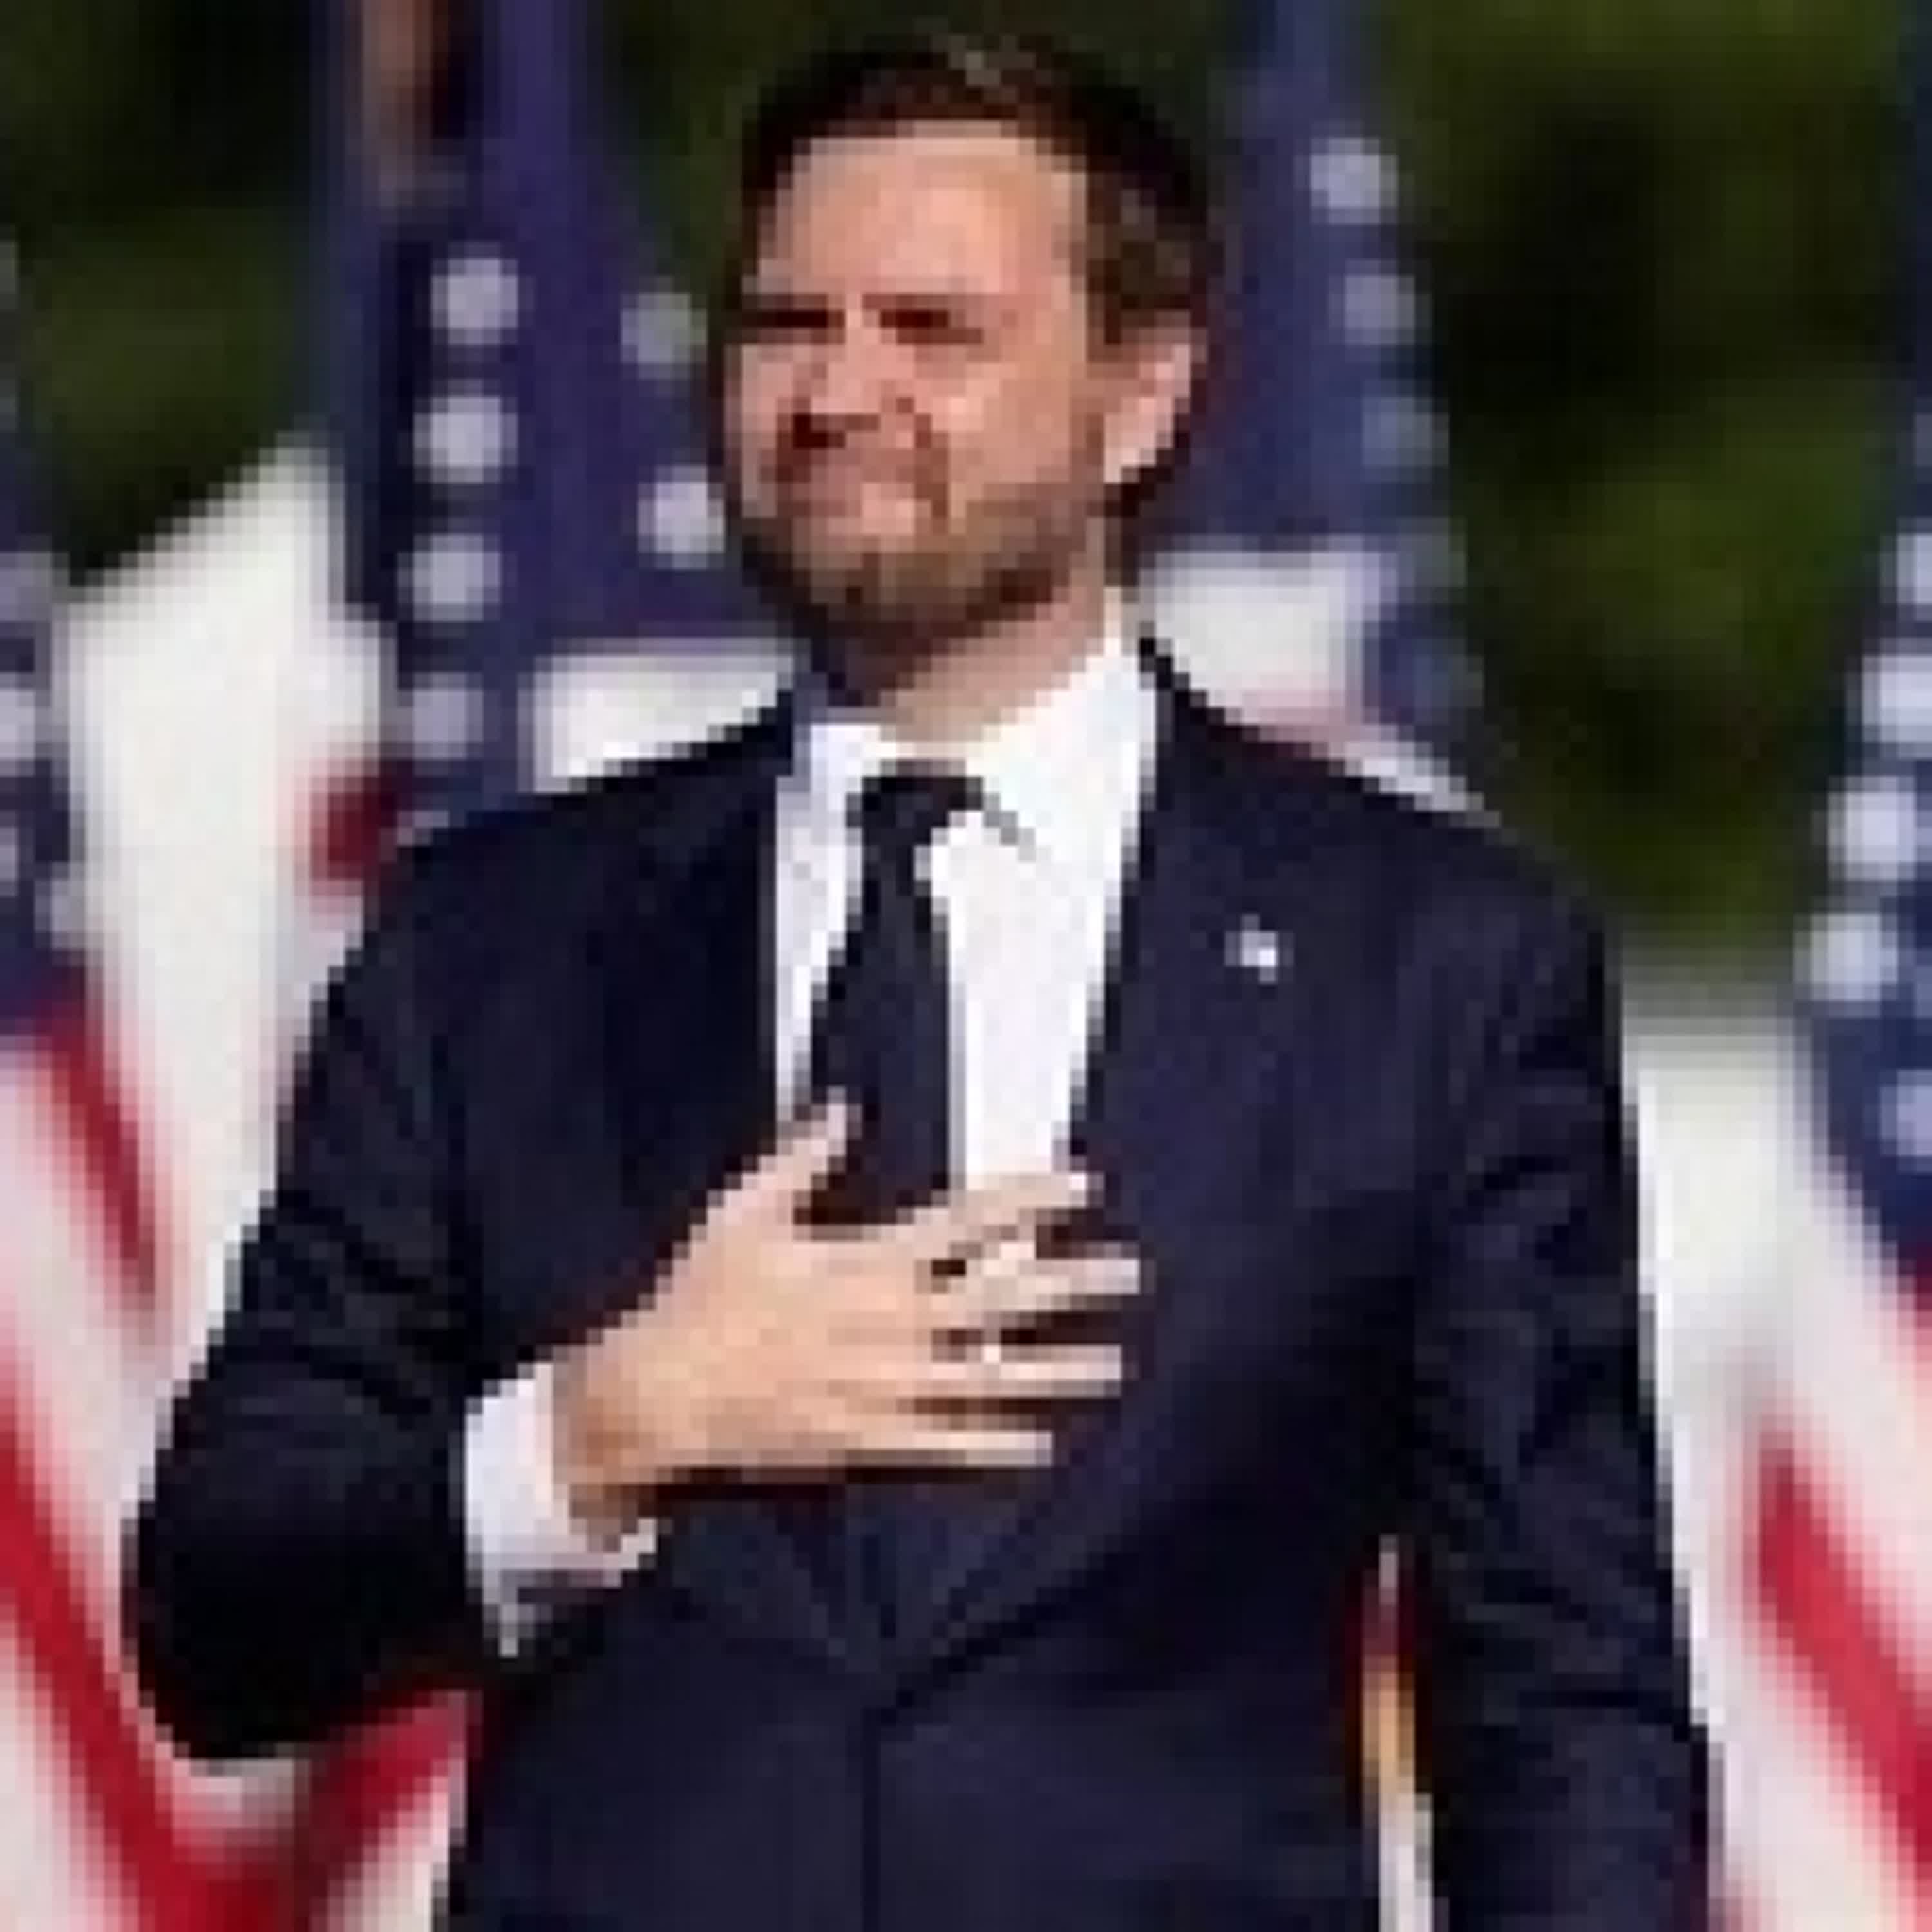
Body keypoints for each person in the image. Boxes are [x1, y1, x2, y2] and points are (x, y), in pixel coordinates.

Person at [127, 30, 1711, 1929]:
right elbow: (215, 1617)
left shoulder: (1432, 962)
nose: (837, 392)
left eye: (934, 330)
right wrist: (596, 1434)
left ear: (1141, 395)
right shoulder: (489, 945)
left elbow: (1564, 1700)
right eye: (787, 324)